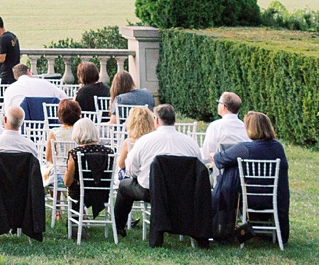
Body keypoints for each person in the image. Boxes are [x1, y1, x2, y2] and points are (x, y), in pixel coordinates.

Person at [112, 104, 204, 237]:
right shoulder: (191, 142)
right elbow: (199, 167)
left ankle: (119, 226)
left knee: (123, 186)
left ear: (156, 120)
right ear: (175, 120)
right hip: (182, 192)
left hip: (150, 191)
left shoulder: (144, 141)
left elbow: (130, 168)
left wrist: (140, 175)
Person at [212, 111, 290, 243]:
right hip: (275, 198)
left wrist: (212, 155)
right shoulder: (278, 147)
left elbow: (220, 159)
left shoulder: (245, 148)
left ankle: (226, 228)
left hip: (249, 199)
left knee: (231, 171)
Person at [1, 62, 67, 120]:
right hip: (48, 124)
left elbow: (7, 112)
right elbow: (64, 98)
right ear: (28, 71)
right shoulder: (44, 83)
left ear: (15, 76)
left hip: (22, 126)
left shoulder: (10, 89)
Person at [200, 92, 247, 162]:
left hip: (221, 169)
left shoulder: (215, 126)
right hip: (243, 170)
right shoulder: (245, 127)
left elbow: (207, 154)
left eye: (219, 103)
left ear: (223, 106)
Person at [0, 14, 20, 87]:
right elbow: (0, 51)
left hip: (7, 76)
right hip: (14, 74)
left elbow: (1, 58)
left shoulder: (3, 39)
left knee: (4, 97)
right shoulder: (11, 36)